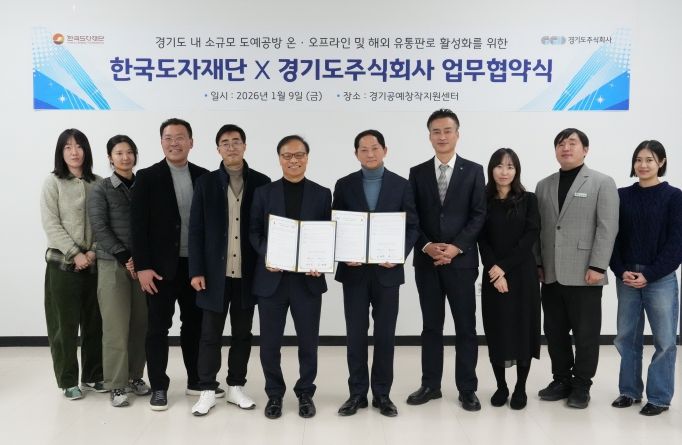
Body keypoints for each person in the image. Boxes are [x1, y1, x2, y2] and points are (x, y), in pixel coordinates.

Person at [332, 129, 419, 417]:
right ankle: (357, 393)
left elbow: (412, 227)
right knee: (355, 335)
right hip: (354, 272)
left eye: (375, 148)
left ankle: (382, 394)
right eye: (363, 149)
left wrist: (398, 255)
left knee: (385, 335)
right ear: (356, 153)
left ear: (385, 150)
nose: (370, 154)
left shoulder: (401, 185)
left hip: (387, 273)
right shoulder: (344, 184)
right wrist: (343, 253)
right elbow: (335, 225)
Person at [188, 125, 271, 416]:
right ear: (218, 149)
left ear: (245, 146)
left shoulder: (261, 182)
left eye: (236, 141)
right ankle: (207, 389)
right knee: (209, 334)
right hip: (214, 274)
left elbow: (266, 229)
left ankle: (236, 386)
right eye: (225, 143)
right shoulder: (206, 183)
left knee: (242, 333)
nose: (231, 147)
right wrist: (196, 270)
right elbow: (196, 229)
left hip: (247, 273)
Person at [407, 109, 486, 411]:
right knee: (431, 326)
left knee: (466, 327)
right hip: (427, 263)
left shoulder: (474, 170)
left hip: (461, 263)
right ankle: (431, 385)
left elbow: (479, 215)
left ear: (457, 133)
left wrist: (456, 248)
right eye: (436, 131)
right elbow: (412, 216)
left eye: (447, 130)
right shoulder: (417, 172)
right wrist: (427, 246)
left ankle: (467, 388)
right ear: (429, 136)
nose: (442, 136)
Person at [535, 128, 619, 409]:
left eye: (572, 143)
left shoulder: (602, 182)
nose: (566, 148)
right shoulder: (543, 185)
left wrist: (598, 265)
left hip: (586, 272)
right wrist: (538, 263)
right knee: (555, 332)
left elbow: (607, 228)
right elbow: (539, 230)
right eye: (561, 144)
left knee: (586, 334)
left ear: (585, 149)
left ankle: (582, 385)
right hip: (550, 273)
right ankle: (561, 380)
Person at [249, 135, 331, 419]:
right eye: (287, 155)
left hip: (307, 281)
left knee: (308, 343)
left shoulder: (322, 194)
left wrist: (320, 261)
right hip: (272, 281)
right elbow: (254, 232)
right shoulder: (264, 193)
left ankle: (305, 392)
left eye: (299, 155)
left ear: (307, 157)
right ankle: (274, 394)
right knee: (270, 344)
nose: (293, 160)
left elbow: (326, 234)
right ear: (279, 159)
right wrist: (269, 254)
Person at [130, 118, 209, 411]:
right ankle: (159, 387)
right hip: (159, 270)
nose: (174, 143)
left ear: (191, 142)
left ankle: (195, 380)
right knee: (157, 329)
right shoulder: (147, 177)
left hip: (195, 267)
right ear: (161, 142)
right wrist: (142, 267)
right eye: (168, 138)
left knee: (194, 326)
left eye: (180, 137)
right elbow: (138, 226)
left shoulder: (204, 176)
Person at [609, 140, 682, 416]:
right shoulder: (621, 196)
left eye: (649, 160)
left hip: (660, 278)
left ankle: (659, 397)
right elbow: (613, 238)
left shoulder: (674, 196)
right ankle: (629, 391)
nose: (643, 165)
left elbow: (676, 244)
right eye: (638, 159)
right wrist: (620, 270)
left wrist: (649, 274)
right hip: (627, 276)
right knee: (626, 338)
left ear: (661, 162)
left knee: (664, 340)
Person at [40, 128, 104, 400]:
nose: (74, 152)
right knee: (63, 326)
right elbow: (51, 223)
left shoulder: (98, 183)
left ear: (86, 150)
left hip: (95, 265)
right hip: (62, 266)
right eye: (68, 147)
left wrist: (93, 252)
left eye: (79, 146)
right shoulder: (53, 182)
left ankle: (94, 375)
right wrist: (75, 253)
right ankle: (68, 380)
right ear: (61, 152)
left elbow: (104, 223)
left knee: (95, 323)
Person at [88, 135, 150, 407]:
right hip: (113, 264)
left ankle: (135, 376)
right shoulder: (101, 189)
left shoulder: (144, 185)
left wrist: (141, 259)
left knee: (140, 324)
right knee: (115, 327)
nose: (125, 157)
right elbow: (100, 227)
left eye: (129, 152)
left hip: (143, 266)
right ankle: (116, 384)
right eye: (119, 153)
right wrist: (125, 257)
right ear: (110, 158)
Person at [477, 148, 541, 410]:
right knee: (497, 330)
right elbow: (481, 239)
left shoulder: (529, 199)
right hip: (493, 275)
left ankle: (520, 388)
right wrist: (494, 271)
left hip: (523, 275)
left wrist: (502, 268)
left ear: (517, 171)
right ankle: (501, 386)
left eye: (510, 166)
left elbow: (530, 236)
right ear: (491, 169)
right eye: (499, 166)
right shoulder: (482, 200)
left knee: (523, 330)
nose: (504, 172)